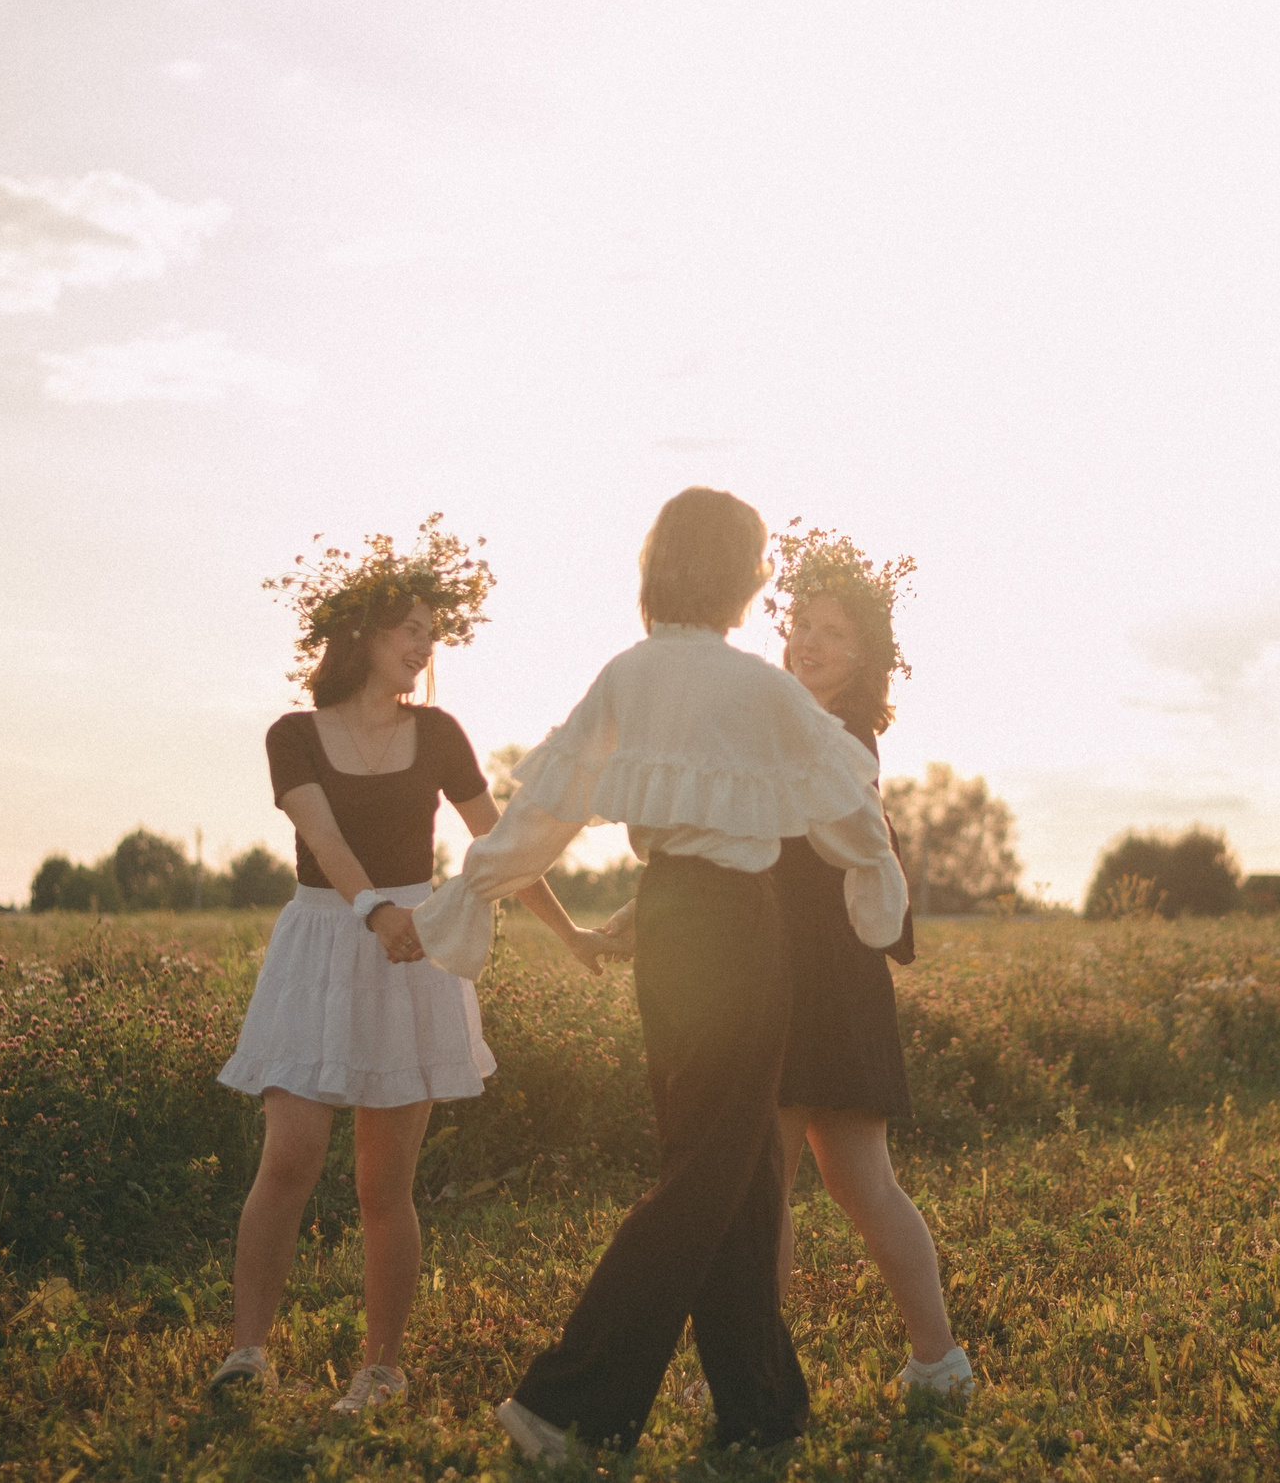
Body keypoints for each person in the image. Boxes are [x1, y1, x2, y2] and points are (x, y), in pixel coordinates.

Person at [407, 488, 907, 1461]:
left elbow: (544, 802)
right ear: (741, 573)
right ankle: (567, 1403)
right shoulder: (757, 690)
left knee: (744, 1169)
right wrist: (875, 883)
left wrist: (474, 886)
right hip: (733, 922)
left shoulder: (628, 674)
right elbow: (848, 803)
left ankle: (760, 1405)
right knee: (712, 1170)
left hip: (671, 919)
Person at [209, 520, 616, 1413]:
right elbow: (321, 835)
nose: (426, 646)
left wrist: (572, 932)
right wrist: (372, 910)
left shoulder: (438, 734)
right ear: (360, 635)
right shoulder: (294, 735)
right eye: (411, 629)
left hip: (415, 948)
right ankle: (247, 1350)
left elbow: (502, 846)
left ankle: (381, 1367)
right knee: (290, 1157)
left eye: (433, 631)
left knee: (383, 1182)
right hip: (325, 940)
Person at [762, 527, 971, 1403]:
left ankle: (932, 1358)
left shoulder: (838, 733)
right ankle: (934, 1360)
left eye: (834, 632)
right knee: (810, 1178)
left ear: (867, 656)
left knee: (810, 1183)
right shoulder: (793, 716)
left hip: (819, 975)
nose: (811, 641)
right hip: (805, 972)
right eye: (803, 621)